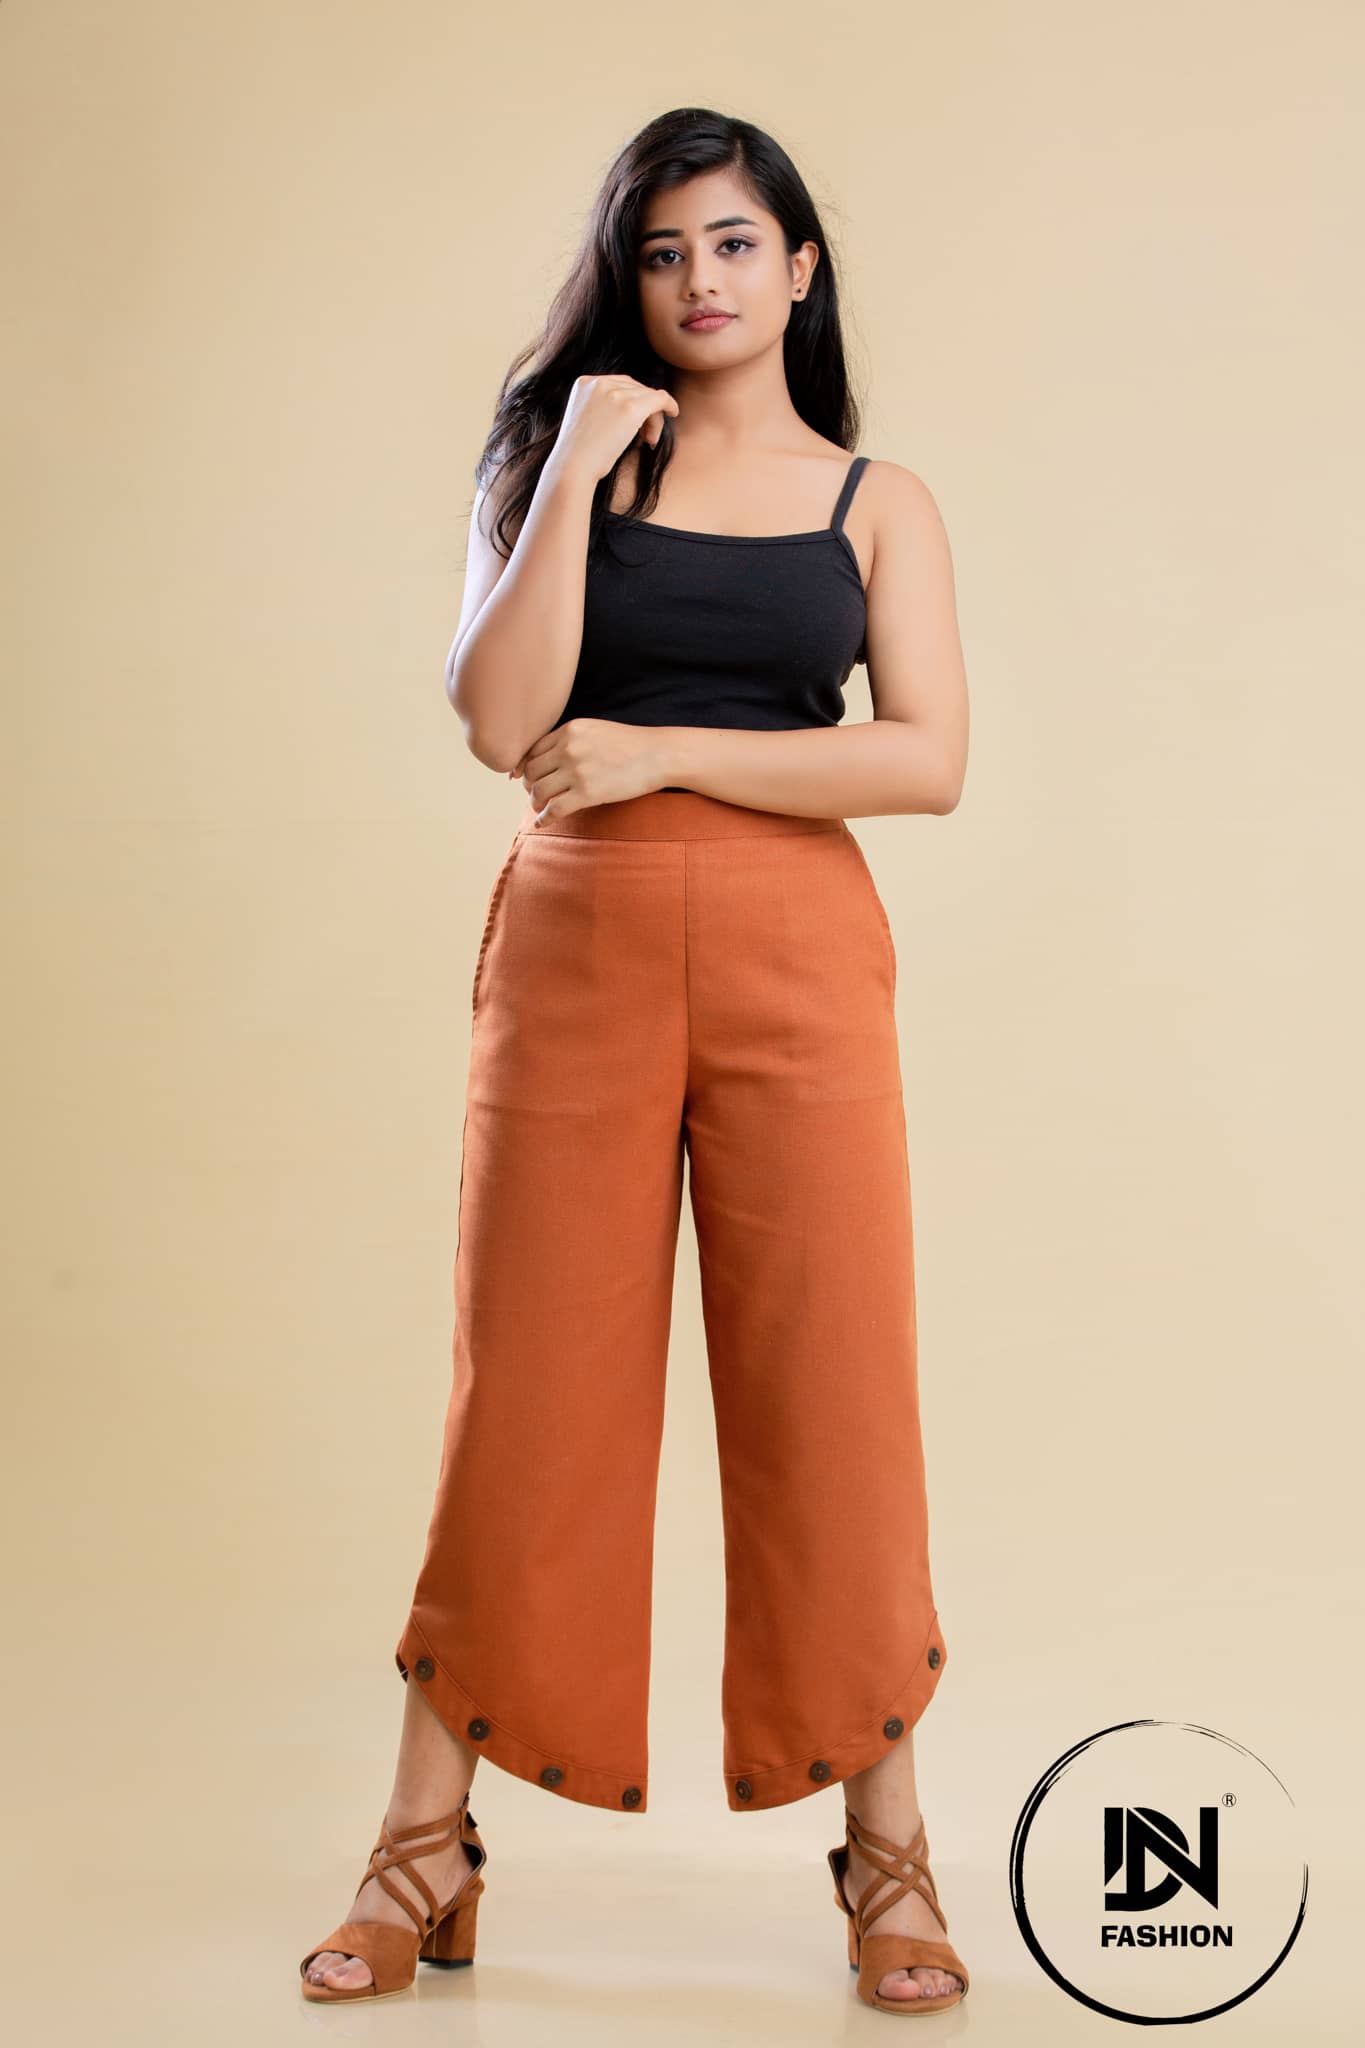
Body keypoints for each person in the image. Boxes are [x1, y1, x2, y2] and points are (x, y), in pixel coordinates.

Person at [300, 106, 970, 2016]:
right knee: (527, 1388)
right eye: (663, 251)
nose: (700, 280)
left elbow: (925, 758)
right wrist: (577, 464)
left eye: (734, 243)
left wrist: (672, 751)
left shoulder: (875, 502)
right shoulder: (560, 460)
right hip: (576, 944)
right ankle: (423, 1845)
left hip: (797, 953)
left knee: (830, 1384)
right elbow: (497, 716)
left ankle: (887, 1855)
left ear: (798, 270)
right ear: (630, 277)